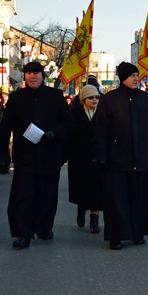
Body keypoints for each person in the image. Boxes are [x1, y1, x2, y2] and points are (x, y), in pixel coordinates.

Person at [0, 61, 73, 249]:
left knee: (47, 197)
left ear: (42, 76)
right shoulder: (16, 98)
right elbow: (5, 129)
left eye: (36, 73)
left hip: (49, 156)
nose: (33, 76)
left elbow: (68, 122)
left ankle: (44, 227)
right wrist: (1, 157)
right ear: (25, 77)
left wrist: (54, 133)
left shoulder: (55, 96)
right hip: (25, 157)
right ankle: (24, 234)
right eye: (29, 73)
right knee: (24, 197)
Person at [94, 62, 148, 250]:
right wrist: (101, 155)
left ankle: (137, 233)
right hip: (118, 159)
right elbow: (101, 131)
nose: (136, 78)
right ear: (122, 77)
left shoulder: (146, 99)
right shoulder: (109, 100)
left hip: (142, 159)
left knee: (140, 199)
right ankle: (115, 236)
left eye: (137, 75)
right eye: (132, 75)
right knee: (117, 200)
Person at [66, 85, 103, 234]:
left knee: (97, 189)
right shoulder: (74, 113)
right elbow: (68, 135)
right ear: (83, 99)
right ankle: (81, 210)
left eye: (96, 97)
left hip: (98, 156)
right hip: (79, 157)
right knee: (81, 187)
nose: (94, 100)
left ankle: (94, 220)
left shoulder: (103, 113)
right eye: (91, 97)